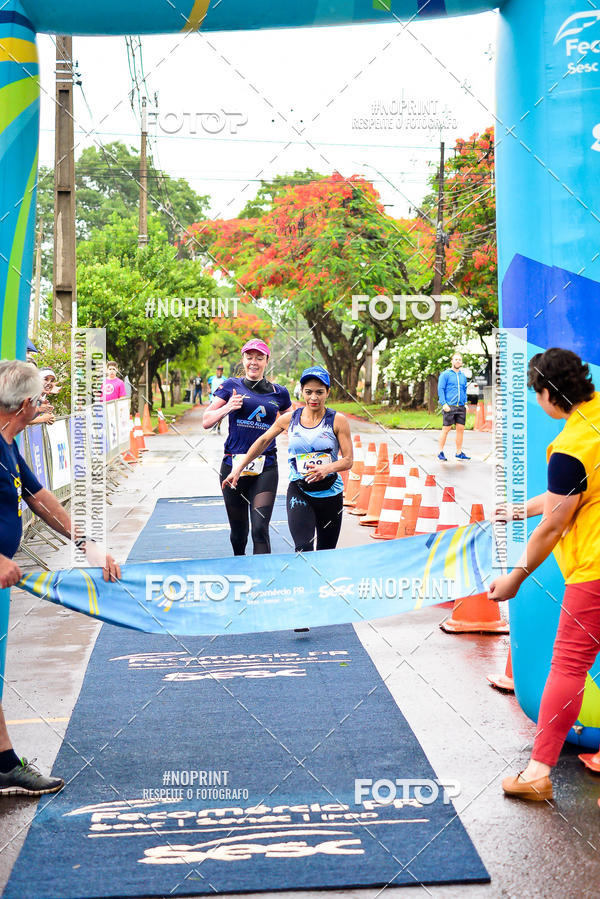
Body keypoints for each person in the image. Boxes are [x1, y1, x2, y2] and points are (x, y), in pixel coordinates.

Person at [0, 360, 121, 796]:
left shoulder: (8, 444)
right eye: (42, 397)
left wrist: (88, 545)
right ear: (26, 404)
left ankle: (4, 763)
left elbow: (38, 496)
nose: (46, 403)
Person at [489, 348, 600, 802]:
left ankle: (538, 772)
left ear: (550, 395)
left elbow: (555, 523)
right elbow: (570, 494)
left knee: (569, 667)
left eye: (536, 393)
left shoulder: (572, 446)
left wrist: (516, 576)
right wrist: (522, 508)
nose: (536, 403)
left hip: (594, 571)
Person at [224, 365, 353, 553]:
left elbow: (348, 460)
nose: (314, 398)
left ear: (328, 392)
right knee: (303, 548)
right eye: (308, 392)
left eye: (320, 392)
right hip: (299, 491)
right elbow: (263, 441)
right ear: (301, 392)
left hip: (330, 494)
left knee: (327, 552)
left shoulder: (337, 420)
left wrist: (326, 469)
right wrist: (238, 468)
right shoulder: (289, 419)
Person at [203, 341, 291, 555]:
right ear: (243, 360)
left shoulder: (280, 393)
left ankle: (262, 580)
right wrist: (227, 407)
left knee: (260, 529)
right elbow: (206, 420)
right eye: (250, 357)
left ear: (267, 362)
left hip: (266, 467)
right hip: (232, 467)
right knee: (239, 532)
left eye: (259, 358)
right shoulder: (231, 386)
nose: (254, 362)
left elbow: (295, 424)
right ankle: (241, 569)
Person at [437, 352, 470, 461]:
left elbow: (464, 390)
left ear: (462, 362)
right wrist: (444, 404)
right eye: (456, 359)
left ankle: (459, 452)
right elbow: (440, 389)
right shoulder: (445, 374)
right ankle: (440, 452)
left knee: (460, 429)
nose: (458, 361)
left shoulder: (463, 376)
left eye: (459, 360)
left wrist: (465, 403)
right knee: (446, 429)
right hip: (449, 406)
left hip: (460, 407)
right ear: (452, 361)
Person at [206, 365, 226, 434]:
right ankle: (214, 424)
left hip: (221, 399)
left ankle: (219, 426)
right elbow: (208, 383)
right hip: (212, 398)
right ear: (216, 371)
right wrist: (208, 389)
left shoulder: (224, 379)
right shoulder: (212, 378)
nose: (219, 371)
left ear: (222, 372)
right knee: (212, 413)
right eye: (218, 370)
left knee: (220, 414)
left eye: (221, 370)